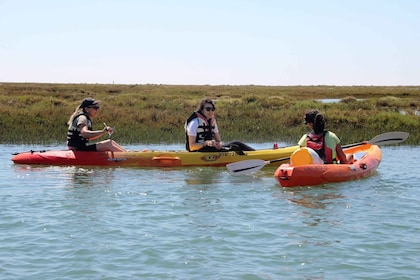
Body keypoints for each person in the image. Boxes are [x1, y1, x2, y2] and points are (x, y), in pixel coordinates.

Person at [184, 97, 255, 153]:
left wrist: (219, 144)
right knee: (234, 147)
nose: (211, 111)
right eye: (208, 109)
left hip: (210, 149)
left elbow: (219, 141)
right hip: (198, 151)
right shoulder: (194, 123)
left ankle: (257, 154)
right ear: (202, 110)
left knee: (237, 143)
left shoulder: (212, 122)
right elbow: (192, 147)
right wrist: (205, 143)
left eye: (213, 109)